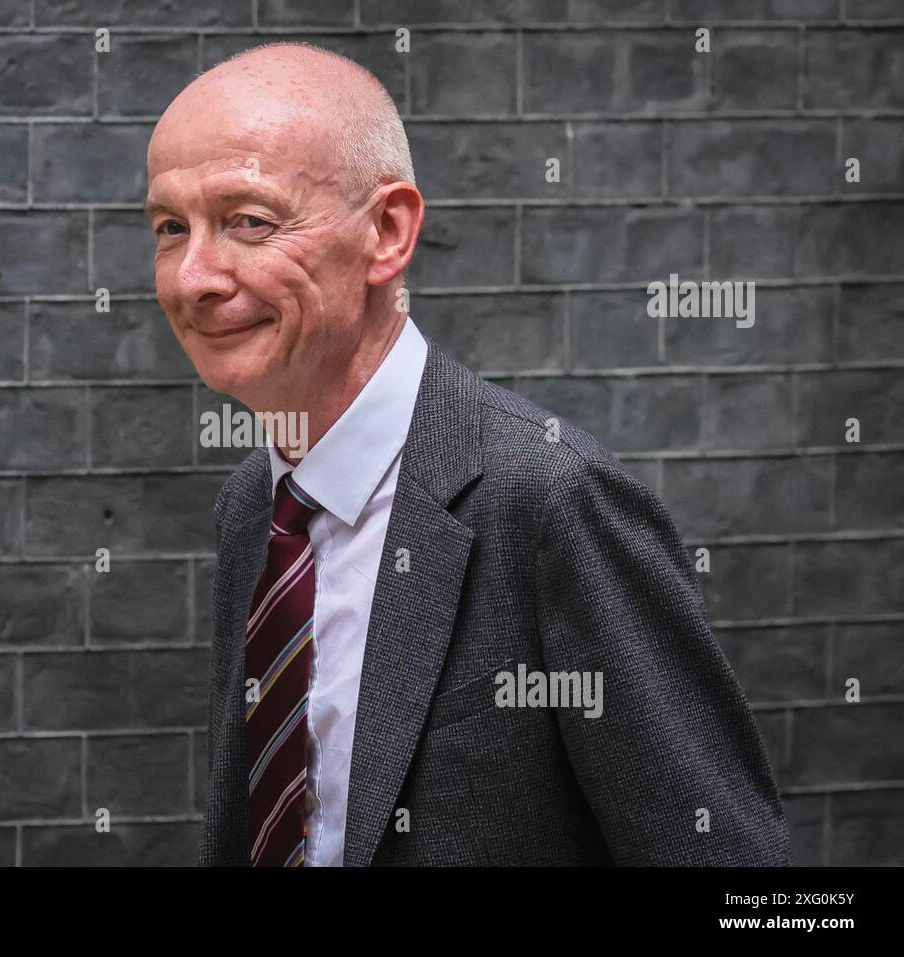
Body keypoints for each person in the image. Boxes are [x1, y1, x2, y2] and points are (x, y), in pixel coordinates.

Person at [143, 41, 788, 867]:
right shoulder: (254, 506)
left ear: (387, 232)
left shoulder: (551, 499)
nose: (193, 276)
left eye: (249, 222)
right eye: (169, 228)